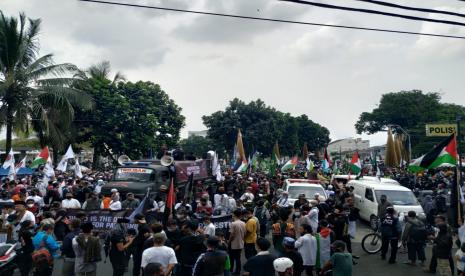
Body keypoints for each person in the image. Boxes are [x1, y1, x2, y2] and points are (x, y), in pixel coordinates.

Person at [229, 209, 246, 275]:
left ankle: (230, 270)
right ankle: (237, 272)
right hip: (241, 243)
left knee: (231, 258)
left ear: (234, 215)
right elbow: (245, 233)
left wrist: (229, 242)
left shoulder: (233, 224)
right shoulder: (243, 223)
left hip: (233, 243)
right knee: (238, 258)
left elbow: (231, 235)